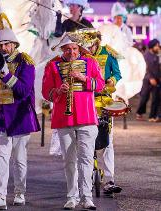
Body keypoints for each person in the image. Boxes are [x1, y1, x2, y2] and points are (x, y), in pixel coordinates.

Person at [0, 13, 41, 210]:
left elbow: (24, 90)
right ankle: (0, 196)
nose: (2, 49)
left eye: (5, 45)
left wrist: (7, 75)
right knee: (1, 157)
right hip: (2, 117)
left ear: (14, 44)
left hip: (20, 116)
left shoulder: (26, 62)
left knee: (19, 159)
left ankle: (19, 192)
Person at [42, 33, 105, 210]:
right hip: (63, 118)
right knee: (69, 161)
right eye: (68, 49)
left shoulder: (91, 63)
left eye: (75, 48)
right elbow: (46, 92)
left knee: (86, 159)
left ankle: (87, 197)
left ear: (79, 49)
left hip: (87, 118)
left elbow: (100, 85)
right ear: (62, 49)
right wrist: (58, 90)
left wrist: (84, 78)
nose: (71, 52)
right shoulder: (52, 66)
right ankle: (72, 197)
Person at [83, 29, 123, 195]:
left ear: (97, 42)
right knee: (85, 140)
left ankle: (109, 180)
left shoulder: (108, 52)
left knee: (108, 141)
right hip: (86, 102)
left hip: (104, 101)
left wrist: (111, 80)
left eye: (91, 45)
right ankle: (86, 177)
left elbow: (118, 74)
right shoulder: (82, 55)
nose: (89, 49)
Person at [136, 39, 161, 122]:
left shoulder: (157, 56)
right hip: (147, 80)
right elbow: (145, 68)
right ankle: (139, 113)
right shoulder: (146, 55)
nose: (158, 47)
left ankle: (152, 116)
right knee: (144, 97)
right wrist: (150, 78)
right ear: (152, 46)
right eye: (156, 45)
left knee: (155, 98)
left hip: (156, 80)